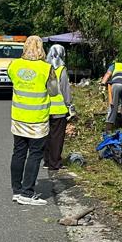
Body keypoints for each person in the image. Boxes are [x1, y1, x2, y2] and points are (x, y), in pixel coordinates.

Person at [7, 35, 60, 206]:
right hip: (37, 118)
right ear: (41, 48)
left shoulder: (14, 65)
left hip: (18, 117)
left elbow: (14, 81)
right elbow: (53, 92)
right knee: (35, 154)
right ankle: (27, 192)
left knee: (19, 152)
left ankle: (16, 190)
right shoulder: (47, 68)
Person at [44, 43, 75, 186]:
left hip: (44, 107)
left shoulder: (43, 67)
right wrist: (69, 105)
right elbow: (65, 89)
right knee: (57, 136)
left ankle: (46, 160)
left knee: (47, 135)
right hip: (58, 108)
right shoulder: (61, 69)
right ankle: (55, 162)